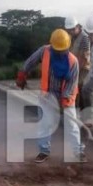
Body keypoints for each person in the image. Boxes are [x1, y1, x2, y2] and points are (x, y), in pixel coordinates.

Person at [16, 29, 86, 163]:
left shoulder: (73, 61)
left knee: (71, 125)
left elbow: (72, 83)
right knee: (44, 124)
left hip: (66, 97)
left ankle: (78, 151)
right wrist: (22, 74)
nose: (59, 52)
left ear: (68, 46)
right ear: (52, 45)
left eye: (62, 49)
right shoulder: (44, 51)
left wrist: (63, 100)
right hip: (47, 95)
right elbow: (30, 61)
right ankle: (43, 151)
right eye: (57, 49)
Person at [64, 16, 91, 110]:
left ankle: (78, 108)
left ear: (78, 26)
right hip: (73, 66)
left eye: (72, 29)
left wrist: (75, 70)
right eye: (69, 30)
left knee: (75, 85)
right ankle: (80, 107)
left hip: (83, 67)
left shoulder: (85, 37)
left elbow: (84, 57)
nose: (70, 31)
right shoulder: (71, 37)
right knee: (78, 87)